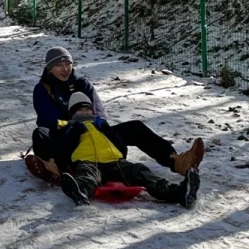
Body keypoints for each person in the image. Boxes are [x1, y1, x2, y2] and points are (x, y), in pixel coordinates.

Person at [29, 45, 202, 179]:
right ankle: (54, 168)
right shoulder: (43, 89)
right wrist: (74, 125)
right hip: (66, 138)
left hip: (94, 131)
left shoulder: (82, 84)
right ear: (49, 68)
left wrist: (94, 124)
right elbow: (49, 119)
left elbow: (100, 112)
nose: (65, 69)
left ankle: (177, 161)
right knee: (40, 133)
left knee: (135, 127)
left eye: (68, 64)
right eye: (59, 65)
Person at [51, 92, 202, 208]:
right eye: (80, 111)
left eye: (87, 110)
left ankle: (179, 193)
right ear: (72, 114)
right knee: (87, 174)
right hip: (87, 161)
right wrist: (73, 131)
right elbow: (63, 150)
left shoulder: (101, 126)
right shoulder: (68, 128)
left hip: (114, 162)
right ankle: (81, 192)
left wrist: (108, 131)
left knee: (139, 171)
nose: (85, 113)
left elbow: (121, 148)